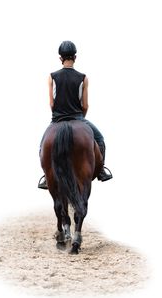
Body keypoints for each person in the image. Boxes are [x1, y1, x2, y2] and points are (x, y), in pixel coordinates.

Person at [38, 40, 112, 189]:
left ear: (60, 58)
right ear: (75, 57)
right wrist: (80, 117)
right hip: (78, 118)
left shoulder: (52, 77)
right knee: (100, 139)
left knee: (41, 146)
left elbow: (51, 104)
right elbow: (85, 105)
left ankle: (46, 176)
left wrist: (58, 114)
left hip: (57, 119)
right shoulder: (83, 78)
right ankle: (101, 170)